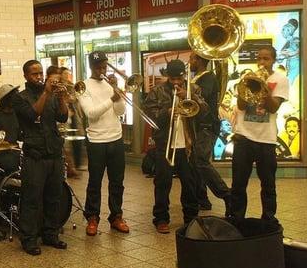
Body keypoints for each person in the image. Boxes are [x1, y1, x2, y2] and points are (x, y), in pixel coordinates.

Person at [12, 59, 68, 255]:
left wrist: (61, 98)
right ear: (26, 76)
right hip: (34, 155)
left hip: (53, 152)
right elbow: (31, 114)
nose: (39, 76)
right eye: (35, 73)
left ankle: (50, 234)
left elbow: (62, 117)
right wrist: (46, 92)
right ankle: (28, 238)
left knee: (54, 196)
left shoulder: (52, 96)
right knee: (31, 199)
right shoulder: (20, 98)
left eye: (41, 72)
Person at [143, 59, 205, 234]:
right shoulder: (157, 91)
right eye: (172, 79)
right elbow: (150, 115)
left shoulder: (194, 89)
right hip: (165, 143)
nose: (176, 82)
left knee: (190, 183)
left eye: (179, 78)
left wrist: (189, 97)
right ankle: (161, 218)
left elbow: (206, 112)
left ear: (184, 76)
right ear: (167, 76)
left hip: (187, 144)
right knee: (162, 182)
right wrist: (167, 112)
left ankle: (191, 219)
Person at [230, 46, 289, 224]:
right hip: (243, 137)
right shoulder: (247, 76)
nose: (262, 62)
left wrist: (263, 89)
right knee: (239, 184)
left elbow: (273, 108)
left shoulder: (281, 79)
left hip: (266, 140)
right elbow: (240, 107)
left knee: (268, 184)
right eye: (259, 58)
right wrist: (246, 84)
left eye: (266, 58)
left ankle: (269, 219)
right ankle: (237, 218)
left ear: (273, 60)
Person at [77, 51, 130, 236]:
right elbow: (91, 113)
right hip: (97, 140)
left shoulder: (110, 85)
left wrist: (117, 93)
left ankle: (116, 216)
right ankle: (92, 218)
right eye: (98, 67)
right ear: (91, 67)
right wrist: (111, 99)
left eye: (104, 66)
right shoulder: (83, 86)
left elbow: (120, 111)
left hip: (116, 137)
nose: (102, 70)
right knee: (95, 181)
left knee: (117, 181)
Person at [189, 53, 231, 213]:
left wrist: (187, 87)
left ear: (199, 60)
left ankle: (226, 194)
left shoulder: (208, 77)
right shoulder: (198, 77)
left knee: (201, 162)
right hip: (198, 126)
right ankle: (202, 199)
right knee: (195, 163)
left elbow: (202, 95)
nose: (190, 62)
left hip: (207, 125)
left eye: (192, 58)